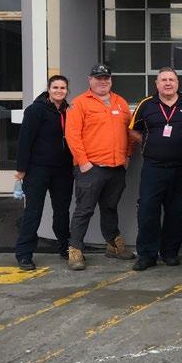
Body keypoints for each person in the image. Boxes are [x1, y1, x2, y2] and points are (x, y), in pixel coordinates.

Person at [64, 64, 134, 270]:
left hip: (116, 168)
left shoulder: (120, 102)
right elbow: (72, 135)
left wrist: (127, 155)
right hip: (91, 169)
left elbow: (129, 132)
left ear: (110, 80)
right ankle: (75, 250)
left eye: (106, 78)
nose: (103, 81)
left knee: (110, 208)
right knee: (84, 210)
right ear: (90, 80)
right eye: (98, 78)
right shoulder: (79, 103)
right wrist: (83, 162)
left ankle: (113, 245)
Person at [129, 68, 182, 271]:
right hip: (153, 167)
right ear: (157, 84)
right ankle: (147, 255)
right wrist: (149, 144)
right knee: (147, 210)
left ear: (177, 83)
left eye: (171, 80)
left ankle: (170, 252)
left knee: (176, 212)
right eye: (164, 80)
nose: (168, 83)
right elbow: (133, 129)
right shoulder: (146, 104)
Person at [14, 75, 74, 270]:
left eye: (62, 88)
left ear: (67, 90)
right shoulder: (36, 110)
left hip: (63, 170)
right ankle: (24, 254)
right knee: (33, 211)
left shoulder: (69, 110)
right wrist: (21, 169)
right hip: (37, 169)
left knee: (62, 211)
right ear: (48, 89)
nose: (59, 91)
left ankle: (64, 248)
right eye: (55, 87)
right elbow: (25, 140)